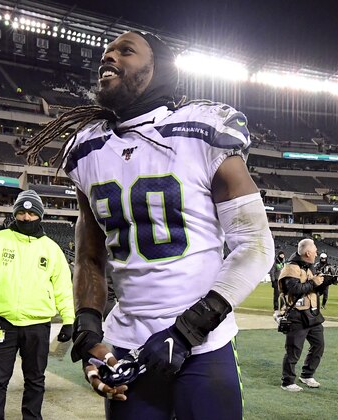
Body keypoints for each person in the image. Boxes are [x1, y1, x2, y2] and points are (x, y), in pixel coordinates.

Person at [20, 31, 274, 419]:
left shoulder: (200, 132)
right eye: (105, 53)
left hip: (203, 345)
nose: (109, 58)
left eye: (125, 51)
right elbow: (89, 254)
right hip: (127, 344)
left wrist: (188, 330)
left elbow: (255, 245)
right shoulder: (88, 150)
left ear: (158, 70)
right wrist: (89, 328)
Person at [0, 190, 74, 420]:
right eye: (21, 212)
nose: (26, 217)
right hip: (1, 322)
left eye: (31, 213)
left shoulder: (52, 249)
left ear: (40, 216)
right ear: (15, 214)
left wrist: (68, 319)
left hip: (37, 324)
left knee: (35, 379)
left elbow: (63, 288)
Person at [278, 239, 333, 392]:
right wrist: (314, 282)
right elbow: (294, 289)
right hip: (296, 314)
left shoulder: (307, 268)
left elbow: (312, 291)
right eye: (315, 250)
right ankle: (287, 381)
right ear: (308, 253)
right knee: (293, 350)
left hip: (312, 314)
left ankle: (307, 374)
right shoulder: (291, 268)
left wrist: (325, 283)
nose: (316, 252)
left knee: (318, 345)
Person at [269, 251, 285, 315]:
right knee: (276, 295)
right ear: (278, 255)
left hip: (283, 281)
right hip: (276, 280)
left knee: (283, 295)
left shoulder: (283, 262)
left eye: (283, 255)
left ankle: (282, 308)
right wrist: (273, 281)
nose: (282, 256)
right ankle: (276, 308)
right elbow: (272, 272)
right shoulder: (275, 262)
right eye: (281, 255)